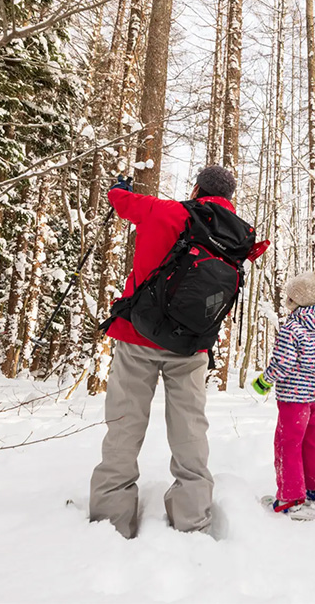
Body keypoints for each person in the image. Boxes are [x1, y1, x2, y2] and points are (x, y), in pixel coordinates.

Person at [89, 166, 238, 538]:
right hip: (191, 347)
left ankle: (112, 521)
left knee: (124, 425)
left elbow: (120, 201)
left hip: (138, 336)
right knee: (190, 429)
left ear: (197, 188)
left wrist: (119, 187)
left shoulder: (166, 211)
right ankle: (192, 518)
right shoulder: (236, 233)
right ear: (228, 198)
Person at [251, 267, 315, 517]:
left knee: (288, 443)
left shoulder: (291, 329)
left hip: (293, 399)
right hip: (313, 395)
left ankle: (290, 497)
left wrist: (265, 380)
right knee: (313, 439)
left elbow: (283, 363)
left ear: (294, 300)